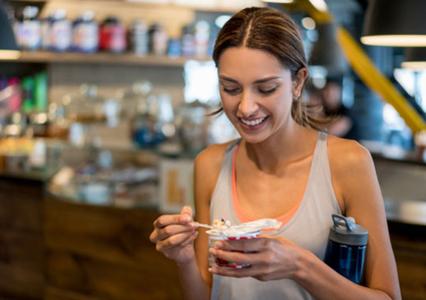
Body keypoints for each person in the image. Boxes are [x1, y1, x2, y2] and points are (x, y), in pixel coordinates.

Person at [150, 7, 401, 300]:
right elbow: (207, 294)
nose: (245, 108)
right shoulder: (210, 164)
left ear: (297, 82)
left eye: (266, 89)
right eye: (230, 88)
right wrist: (184, 259)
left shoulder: (347, 162)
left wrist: (299, 265)